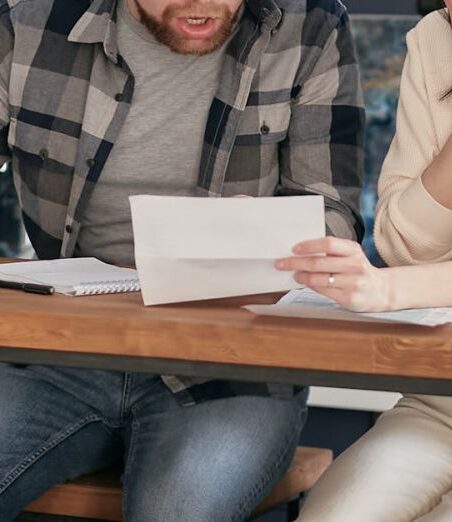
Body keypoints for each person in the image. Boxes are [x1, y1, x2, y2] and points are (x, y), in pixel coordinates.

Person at [0, 0, 364, 519]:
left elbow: (336, 212)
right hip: (63, 353)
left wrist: (265, 235)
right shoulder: (27, 20)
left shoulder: (313, 25)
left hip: (236, 366)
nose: (202, 3)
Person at [275, 0, 452, 520]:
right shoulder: (440, 41)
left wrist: (386, 290)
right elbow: (407, 245)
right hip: (446, 400)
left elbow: (398, 275)